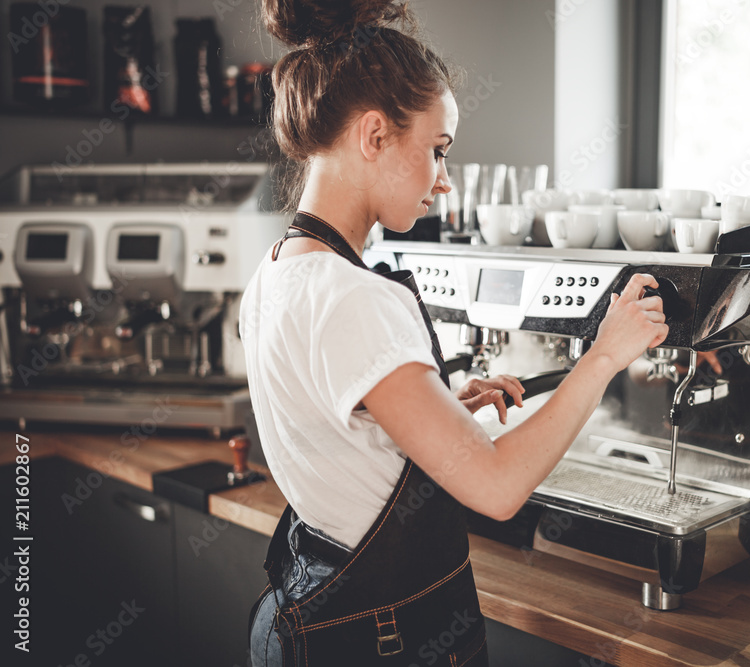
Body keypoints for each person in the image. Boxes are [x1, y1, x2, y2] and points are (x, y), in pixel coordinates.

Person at [240, 1, 669, 664]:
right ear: (375, 135)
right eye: (438, 151)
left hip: (307, 619)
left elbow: (336, 437)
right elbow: (497, 488)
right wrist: (604, 354)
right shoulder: (356, 296)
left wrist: (439, 407)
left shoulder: (274, 273)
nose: (443, 181)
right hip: (384, 640)